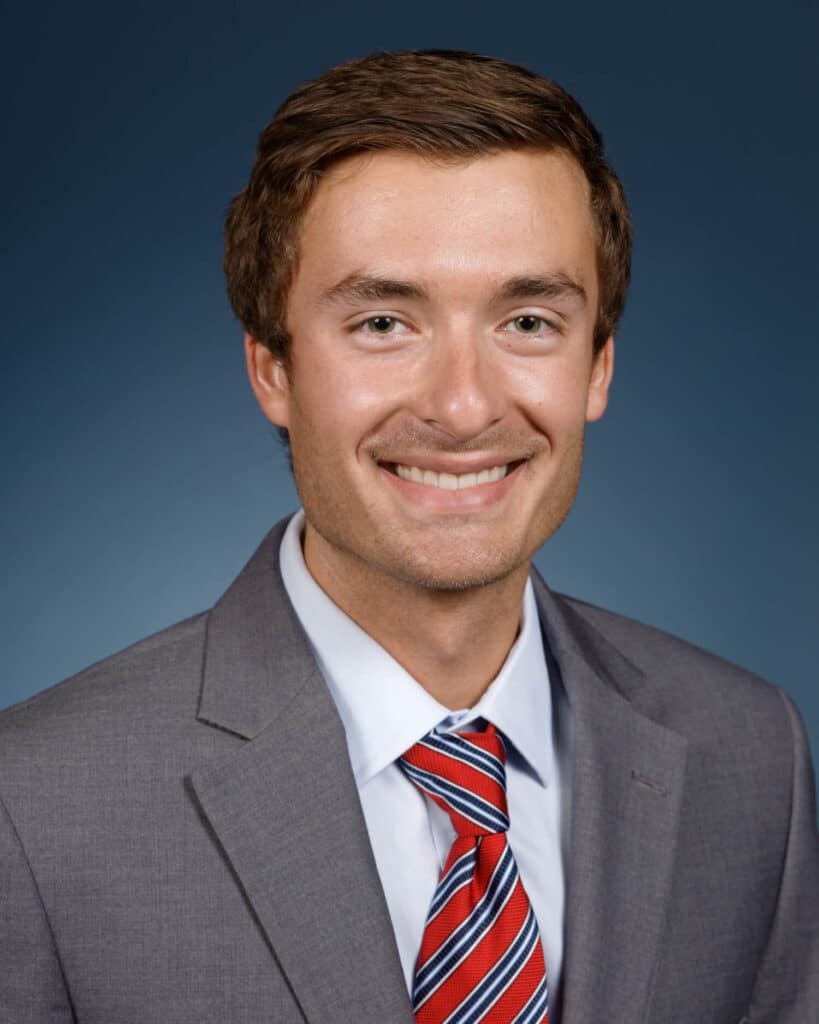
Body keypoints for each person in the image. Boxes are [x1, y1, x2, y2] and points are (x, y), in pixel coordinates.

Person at [1, 48, 816, 1024]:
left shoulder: (750, 752)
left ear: (598, 365)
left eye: (526, 320)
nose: (464, 405)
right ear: (272, 368)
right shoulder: (34, 803)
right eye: (385, 321)